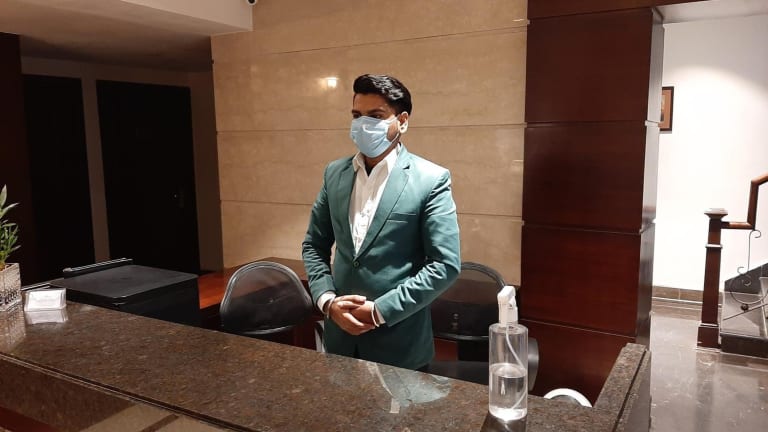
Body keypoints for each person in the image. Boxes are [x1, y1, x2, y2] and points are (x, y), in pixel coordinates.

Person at [302, 74, 461, 370]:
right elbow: (314, 245)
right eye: (356, 116)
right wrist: (327, 300)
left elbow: (444, 265)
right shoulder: (334, 174)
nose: (363, 125)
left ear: (402, 121)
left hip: (399, 345)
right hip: (340, 342)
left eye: (375, 116)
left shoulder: (431, 179)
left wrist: (380, 311)